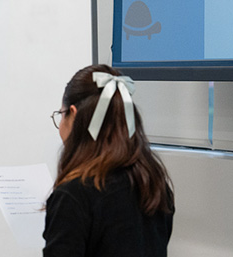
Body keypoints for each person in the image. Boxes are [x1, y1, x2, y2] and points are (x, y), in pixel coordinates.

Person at [43, 64, 174, 257]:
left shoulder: (74, 195)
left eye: (61, 115)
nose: (60, 125)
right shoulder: (154, 183)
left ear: (73, 114)